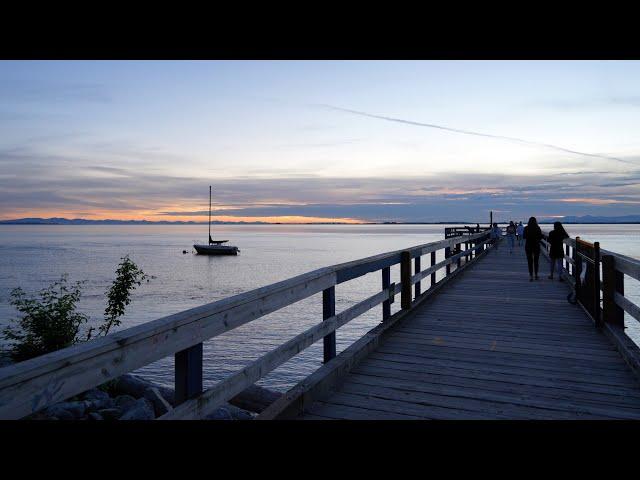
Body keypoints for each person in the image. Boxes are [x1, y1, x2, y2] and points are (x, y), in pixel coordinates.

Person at [523, 216, 542, 281]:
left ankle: (531, 276)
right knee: (536, 261)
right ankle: (536, 275)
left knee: (529, 261)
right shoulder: (538, 228)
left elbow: (524, 237)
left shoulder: (526, 228)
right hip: (536, 246)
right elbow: (540, 237)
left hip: (528, 246)